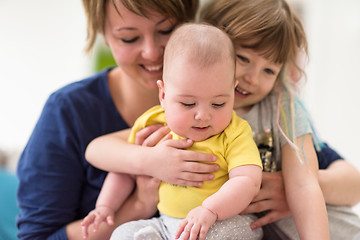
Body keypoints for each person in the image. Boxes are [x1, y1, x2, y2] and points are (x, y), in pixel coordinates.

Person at [15, 1, 221, 240]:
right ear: (104, 34)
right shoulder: (69, 111)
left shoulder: (224, 101)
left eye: (166, 31)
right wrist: (138, 204)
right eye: (129, 38)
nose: (152, 52)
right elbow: (38, 237)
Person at [83, 22, 263, 240]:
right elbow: (124, 170)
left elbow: (247, 181)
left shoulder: (234, 132)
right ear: (164, 95)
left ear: (232, 92)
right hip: (166, 224)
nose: (203, 116)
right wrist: (106, 206)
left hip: (222, 221)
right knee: (123, 234)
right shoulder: (153, 123)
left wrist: (211, 210)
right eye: (188, 104)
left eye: (218, 104)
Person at [199, 0, 360, 239]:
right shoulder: (184, 102)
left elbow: (306, 186)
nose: (253, 78)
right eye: (243, 58)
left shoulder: (283, 107)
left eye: (269, 71)